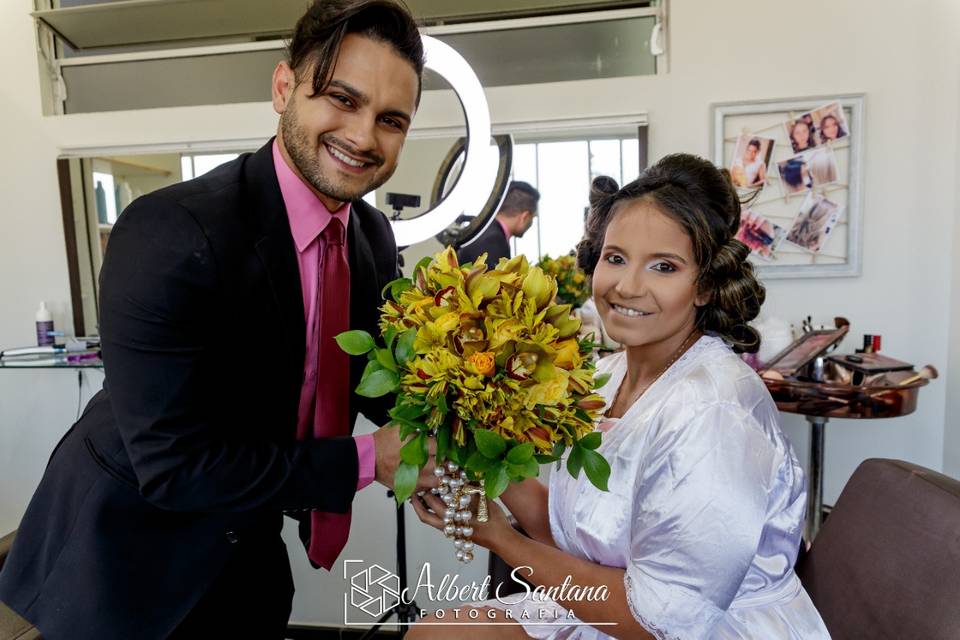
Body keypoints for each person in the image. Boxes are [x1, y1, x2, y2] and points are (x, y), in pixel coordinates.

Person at [0, 2, 437, 638]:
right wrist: (370, 459)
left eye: (391, 120)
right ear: (284, 87)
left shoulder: (369, 235)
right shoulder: (172, 232)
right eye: (342, 99)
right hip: (124, 560)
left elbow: (375, 379)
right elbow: (174, 466)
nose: (366, 136)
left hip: (246, 541)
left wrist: (462, 413)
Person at [409, 155, 830, 639]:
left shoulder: (714, 411)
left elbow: (662, 621)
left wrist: (500, 539)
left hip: (697, 627)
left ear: (705, 286)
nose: (627, 286)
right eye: (615, 258)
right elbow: (583, 534)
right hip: (616, 603)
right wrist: (481, 459)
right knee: (436, 632)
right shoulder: (607, 377)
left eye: (664, 267)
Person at [456, 181, 540, 265]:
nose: (531, 223)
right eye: (532, 218)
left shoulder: (484, 231)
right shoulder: (493, 242)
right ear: (525, 217)